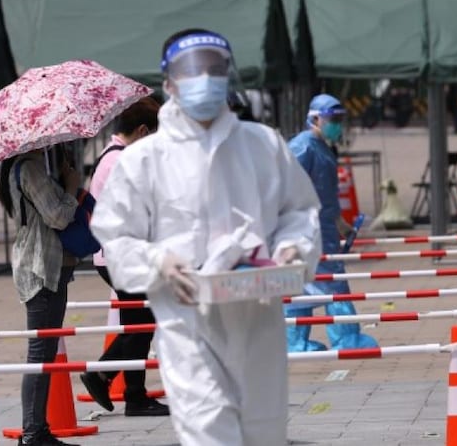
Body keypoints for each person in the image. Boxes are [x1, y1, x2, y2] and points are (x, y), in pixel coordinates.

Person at [90, 28, 322, 446]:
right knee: (210, 433)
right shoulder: (144, 160)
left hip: (258, 319)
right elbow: (115, 237)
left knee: (264, 433)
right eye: (191, 70)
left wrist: (293, 250)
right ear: (169, 83)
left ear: (228, 74)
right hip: (188, 326)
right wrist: (158, 261)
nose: (204, 78)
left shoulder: (262, 145)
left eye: (214, 69)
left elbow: (300, 212)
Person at [79, 97, 169, 417]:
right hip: (120, 255)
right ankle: (130, 393)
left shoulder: (113, 156)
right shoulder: (120, 161)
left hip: (118, 254)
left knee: (140, 322)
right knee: (141, 323)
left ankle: (111, 381)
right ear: (143, 131)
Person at [0, 146, 82, 446]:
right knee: (40, 354)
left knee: (45, 354)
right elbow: (57, 217)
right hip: (40, 267)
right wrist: (70, 187)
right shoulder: (30, 167)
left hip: (46, 264)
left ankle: (38, 429)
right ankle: (33, 432)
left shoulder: (30, 167)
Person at [285, 94, 379, 352]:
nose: (337, 125)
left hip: (322, 228)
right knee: (330, 282)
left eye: (340, 120)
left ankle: (296, 341)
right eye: (333, 119)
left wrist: (340, 223)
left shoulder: (321, 147)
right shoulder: (302, 148)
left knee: (307, 283)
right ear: (315, 118)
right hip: (306, 229)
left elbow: (326, 195)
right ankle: (345, 338)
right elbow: (285, 189)